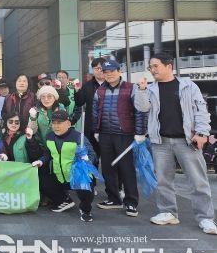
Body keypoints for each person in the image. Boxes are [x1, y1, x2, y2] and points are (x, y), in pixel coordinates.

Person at [135, 52, 217, 235]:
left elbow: (201, 111)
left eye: (156, 66)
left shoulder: (188, 86)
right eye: (150, 67)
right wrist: (141, 90)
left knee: (197, 181)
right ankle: (168, 212)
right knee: (163, 180)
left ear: (169, 66)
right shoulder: (150, 89)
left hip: (187, 141)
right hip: (160, 141)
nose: (152, 70)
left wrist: (202, 133)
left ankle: (205, 217)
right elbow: (142, 108)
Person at [92, 60, 147, 217]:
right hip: (105, 134)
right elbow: (95, 112)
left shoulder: (131, 88)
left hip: (125, 135)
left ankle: (131, 202)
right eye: (106, 72)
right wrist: (96, 130)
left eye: (112, 71)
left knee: (126, 169)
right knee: (107, 168)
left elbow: (140, 111)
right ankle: (113, 198)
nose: (109, 74)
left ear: (119, 71)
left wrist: (140, 132)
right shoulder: (100, 90)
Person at [38, 110, 97, 221]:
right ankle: (64, 200)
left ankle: (85, 210)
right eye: (54, 123)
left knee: (85, 184)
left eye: (59, 123)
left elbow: (92, 154)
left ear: (68, 124)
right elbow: (47, 154)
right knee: (42, 181)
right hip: (59, 176)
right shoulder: (49, 136)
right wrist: (41, 161)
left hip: (76, 176)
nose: (56, 126)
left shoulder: (78, 137)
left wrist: (86, 159)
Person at [74, 57, 106, 159]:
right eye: (96, 68)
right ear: (93, 70)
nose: (99, 71)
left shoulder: (111, 84)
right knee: (93, 155)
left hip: (108, 127)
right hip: (91, 126)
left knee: (108, 157)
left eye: (101, 68)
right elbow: (79, 102)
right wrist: (77, 91)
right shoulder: (87, 86)